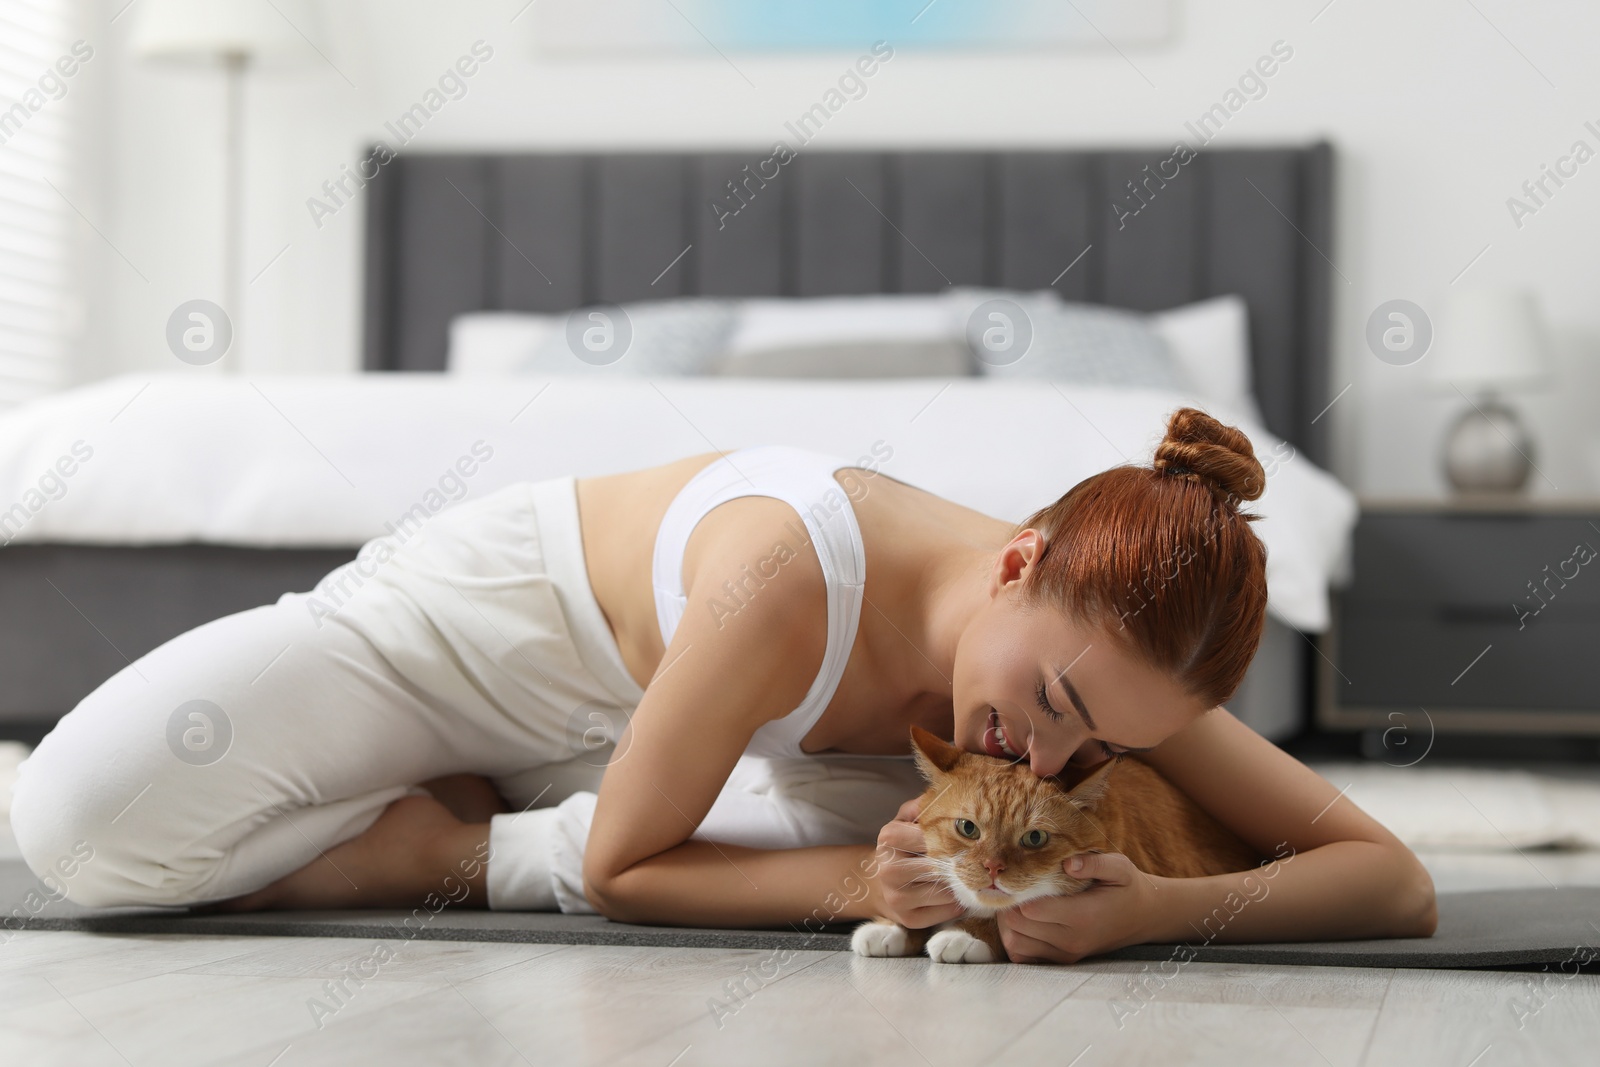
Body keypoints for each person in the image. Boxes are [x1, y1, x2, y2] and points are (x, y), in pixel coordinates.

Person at [10, 408, 1436, 963]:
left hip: (692, 762)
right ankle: (441, 838)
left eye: (1101, 744)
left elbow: (1389, 880)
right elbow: (630, 869)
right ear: (1017, 566)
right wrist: (861, 890)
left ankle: (463, 824)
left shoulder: (1118, 672)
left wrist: (1160, 913)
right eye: (1055, 706)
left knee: (936, 832)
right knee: (79, 831)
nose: (1048, 751)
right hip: (484, 645)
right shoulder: (793, 573)